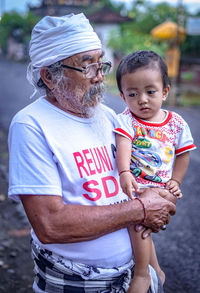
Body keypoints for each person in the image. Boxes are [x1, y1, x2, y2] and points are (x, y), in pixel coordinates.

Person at [8, 15, 176, 293]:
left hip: (132, 275)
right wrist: (141, 209)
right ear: (50, 76)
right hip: (72, 284)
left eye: (101, 63)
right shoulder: (31, 124)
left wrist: (159, 196)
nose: (100, 76)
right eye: (87, 66)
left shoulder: (109, 117)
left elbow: (134, 183)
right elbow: (50, 224)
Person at [114, 50, 196, 293]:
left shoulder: (176, 122)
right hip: (137, 188)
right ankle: (153, 270)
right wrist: (124, 172)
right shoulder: (127, 120)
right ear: (122, 96)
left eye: (150, 91)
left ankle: (142, 274)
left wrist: (176, 181)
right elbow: (123, 146)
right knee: (139, 223)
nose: (142, 100)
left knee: (139, 226)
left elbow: (183, 153)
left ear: (165, 91)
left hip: (161, 190)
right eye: (133, 94)